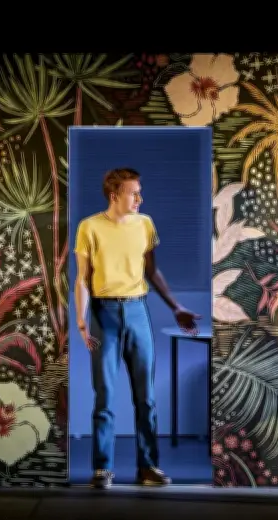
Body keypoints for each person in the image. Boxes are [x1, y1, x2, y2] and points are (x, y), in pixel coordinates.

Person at [74, 167, 201, 489]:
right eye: (134, 193)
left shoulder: (145, 224)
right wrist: (81, 321)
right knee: (105, 395)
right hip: (103, 314)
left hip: (137, 312)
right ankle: (102, 469)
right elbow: (83, 279)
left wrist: (176, 307)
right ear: (114, 195)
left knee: (146, 397)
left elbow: (152, 272)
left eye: (139, 193)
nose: (140, 199)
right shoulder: (89, 227)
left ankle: (148, 467)